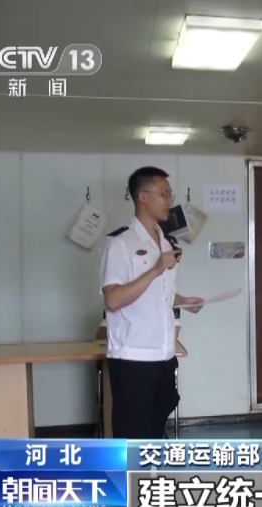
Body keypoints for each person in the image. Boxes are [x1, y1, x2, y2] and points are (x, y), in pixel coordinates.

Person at [100, 166, 204, 439]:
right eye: (164, 194)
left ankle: (152, 468)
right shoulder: (120, 243)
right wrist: (156, 268)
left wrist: (184, 300)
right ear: (143, 196)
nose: (170, 200)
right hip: (133, 357)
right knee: (133, 434)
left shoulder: (167, 242)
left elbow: (160, 293)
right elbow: (113, 299)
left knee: (156, 432)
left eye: (170, 194)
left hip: (164, 353)